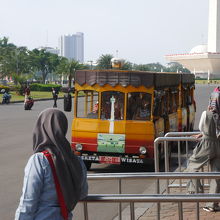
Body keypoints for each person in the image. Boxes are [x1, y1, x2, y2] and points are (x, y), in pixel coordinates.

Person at [15, 108, 88, 219]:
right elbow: (82, 193)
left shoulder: (39, 160)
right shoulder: (77, 161)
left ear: (41, 127)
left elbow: (27, 203)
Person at [186, 90, 220, 212]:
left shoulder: (206, 113)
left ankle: (196, 190)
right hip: (218, 146)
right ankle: (212, 204)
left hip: (206, 145)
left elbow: (202, 128)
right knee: (216, 174)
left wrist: (202, 134)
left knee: (192, 164)